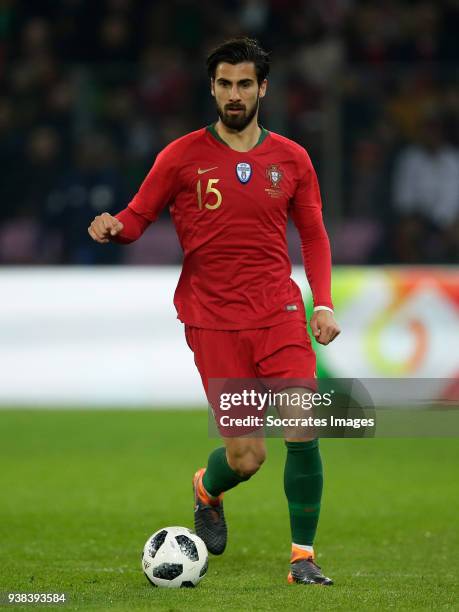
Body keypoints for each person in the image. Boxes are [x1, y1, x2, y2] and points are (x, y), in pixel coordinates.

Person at [88, 37, 340, 586]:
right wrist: (115, 228)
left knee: (302, 424)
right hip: (213, 319)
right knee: (248, 457)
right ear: (212, 87)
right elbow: (137, 216)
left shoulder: (292, 158)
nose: (234, 94)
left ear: (262, 88)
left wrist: (321, 303)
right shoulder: (180, 156)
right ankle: (208, 486)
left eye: (244, 83)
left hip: (278, 312)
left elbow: (314, 234)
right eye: (224, 83)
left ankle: (303, 558)